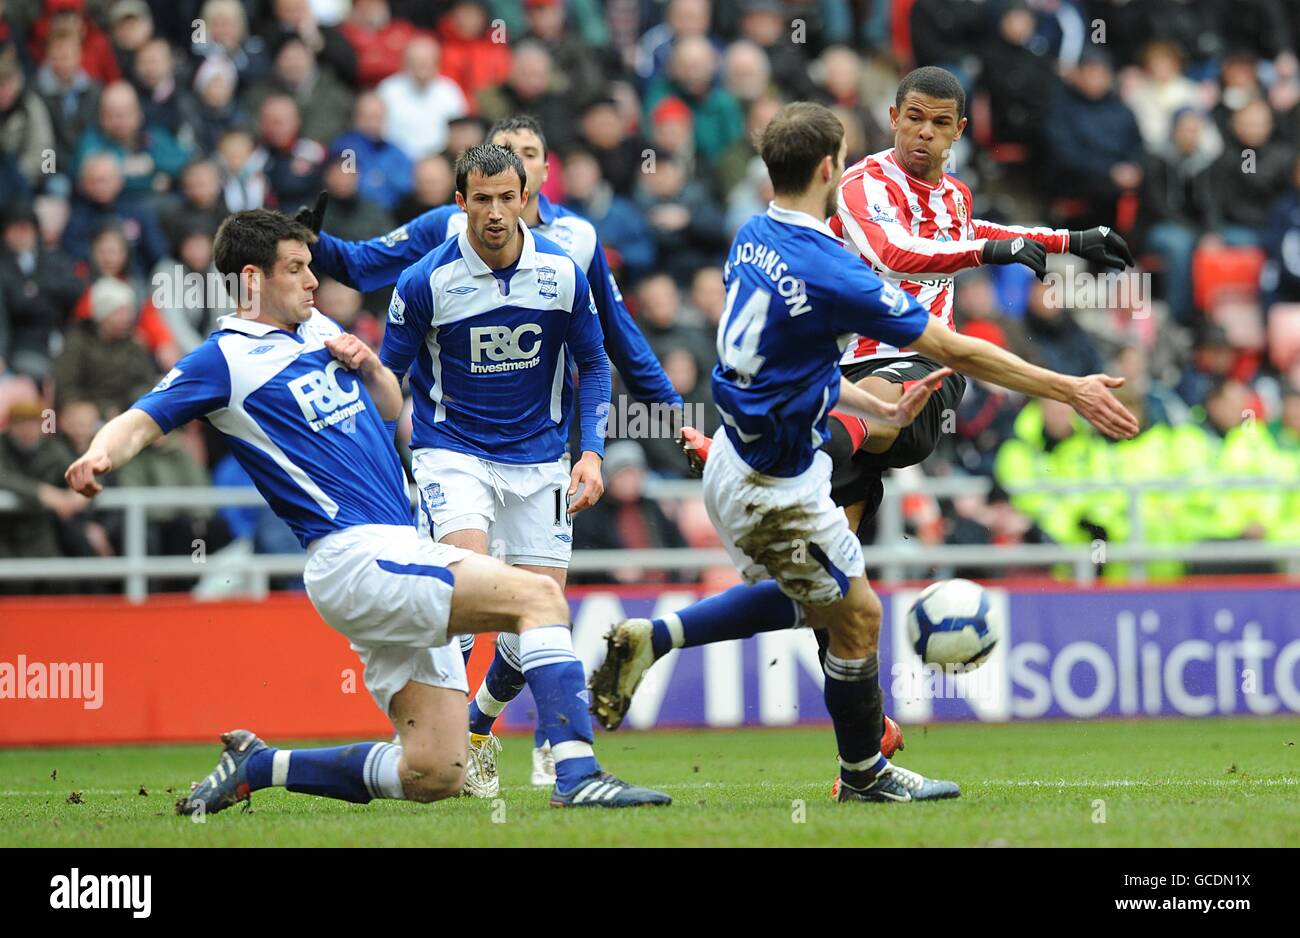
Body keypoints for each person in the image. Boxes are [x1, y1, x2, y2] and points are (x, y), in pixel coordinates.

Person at [588, 101, 1139, 801]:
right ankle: (865, 775)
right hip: (777, 485)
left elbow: (787, 357)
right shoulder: (834, 270)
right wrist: (1067, 387)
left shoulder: (751, 235)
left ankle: (656, 636)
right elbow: (952, 347)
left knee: (813, 601)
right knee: (861, 616)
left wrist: (868, 403)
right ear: (830, 167)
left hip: (735, 460)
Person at [64, 207, 669, 815]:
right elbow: (143, 417)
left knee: (435, 770)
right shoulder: (224, 359)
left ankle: (260, 765)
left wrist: (372, 365)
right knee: (539, 599)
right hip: (355, 555)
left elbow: (387, 405)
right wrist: (98, 455)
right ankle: (577, 773)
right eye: (297, 269)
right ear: (252, 279)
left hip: (394, 546)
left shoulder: (316, 326)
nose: (312, 280)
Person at [379, 143, 613, 799]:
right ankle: (443, 749)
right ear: (460, 203)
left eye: (507, 197)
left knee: (537, 613)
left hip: (541, 460)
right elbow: (387, 378)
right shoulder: (425, 281)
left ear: (524, 198)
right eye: (480, 199)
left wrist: (591, 450)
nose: (495, 212)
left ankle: (479, 725)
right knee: (470, 596)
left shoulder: (563, 272)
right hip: (452, 454)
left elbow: (594, 364)